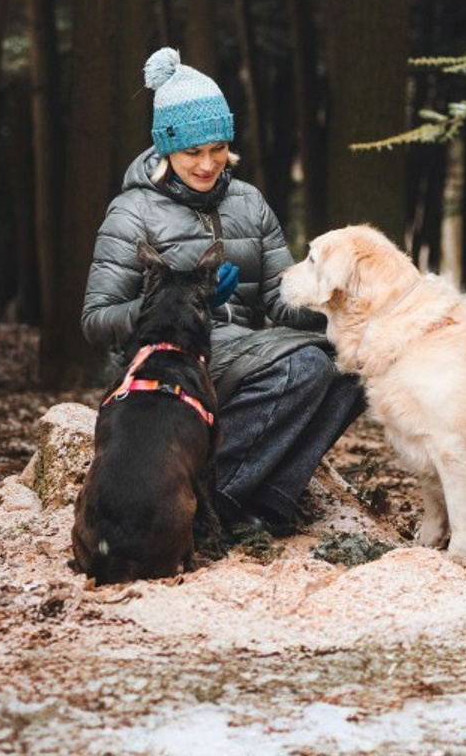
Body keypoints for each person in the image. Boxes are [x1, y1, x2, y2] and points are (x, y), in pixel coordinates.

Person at [81, 46, 364, 536]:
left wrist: (345, 304)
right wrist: (178, 301)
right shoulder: (132, 213)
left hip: (240, 352)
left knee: (355, 367)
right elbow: (96, 320)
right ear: (166, 147)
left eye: (217, 149)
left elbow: (280, 301)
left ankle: (267, 507)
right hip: (167, 362)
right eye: (193, 152)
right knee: (306, 365)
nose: (208, 164)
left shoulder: (249, 203)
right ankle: (202, 504)